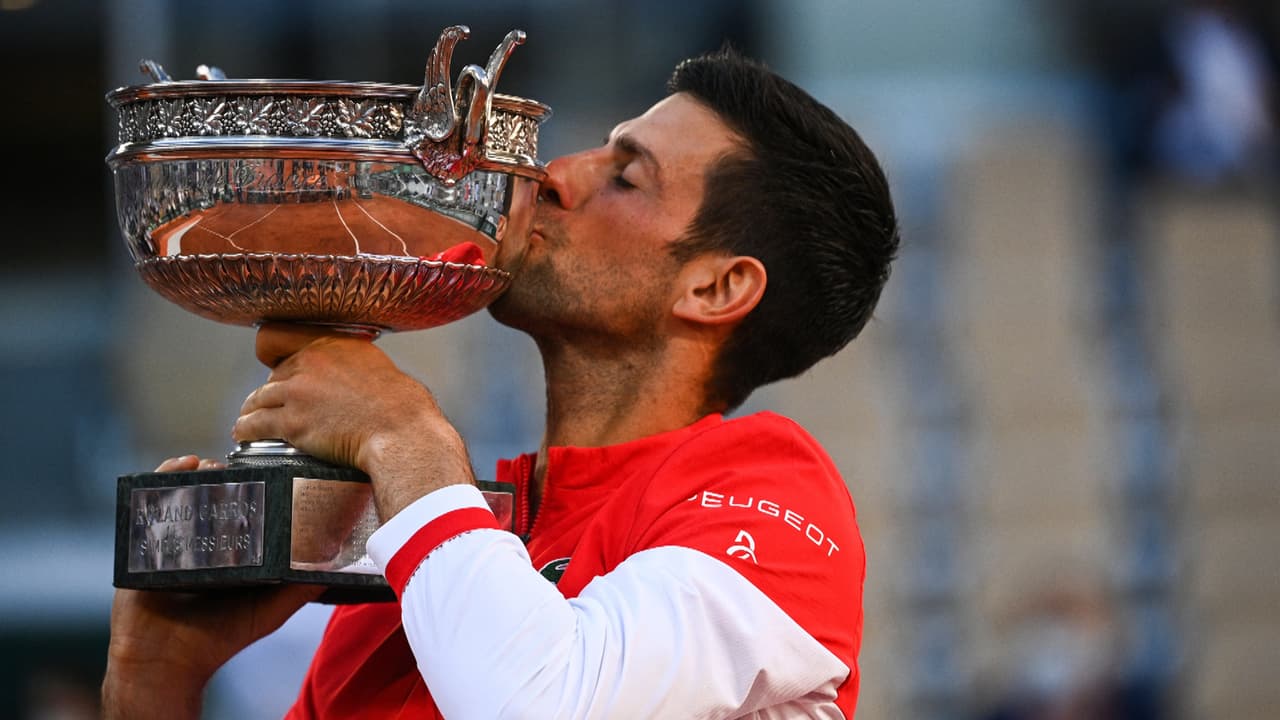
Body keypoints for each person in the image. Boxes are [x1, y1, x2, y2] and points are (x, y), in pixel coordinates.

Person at [102, 47, 899, 719]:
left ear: (716, 287)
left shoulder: (773, 490)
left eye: (626, 177)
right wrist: (154, 679)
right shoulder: (429, 558)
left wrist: (400, 429)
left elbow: (540, 705)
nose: (554, 173)